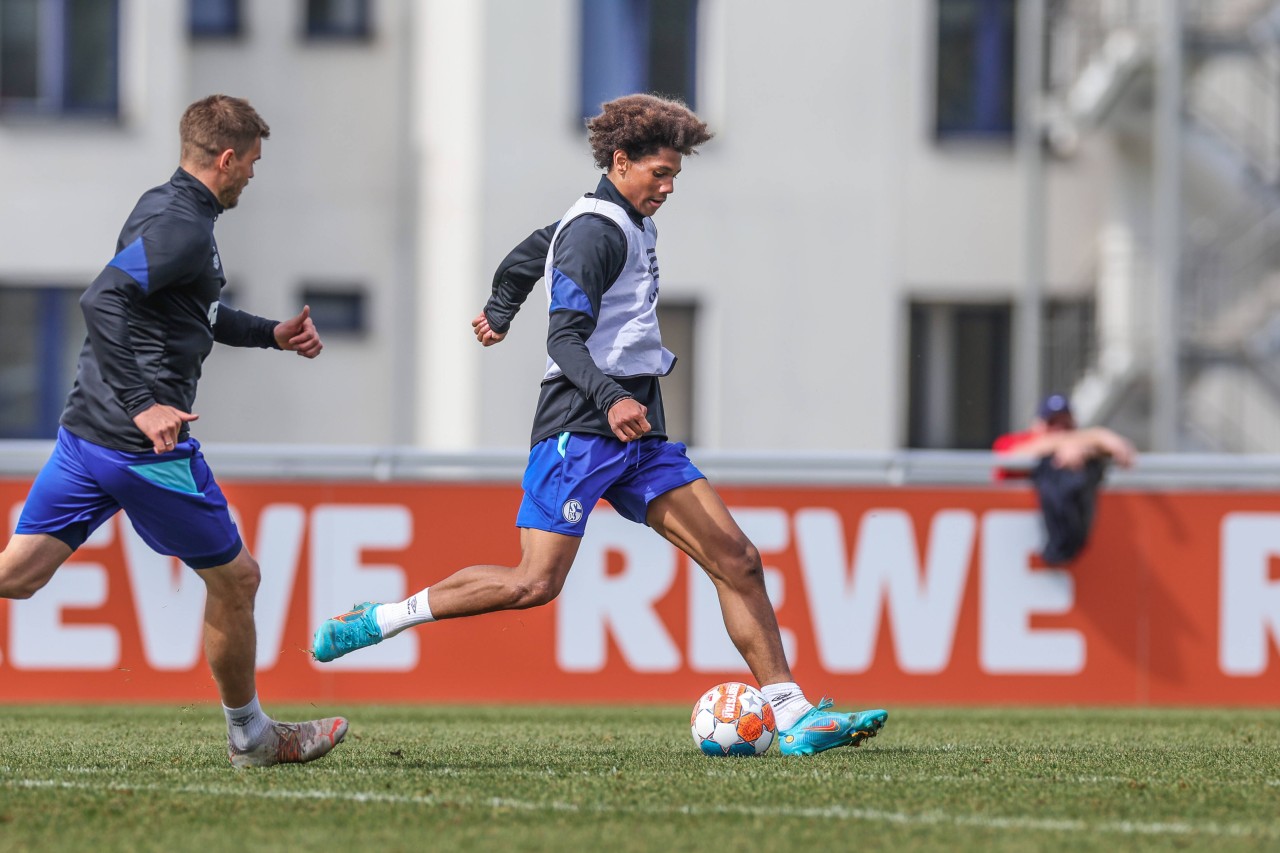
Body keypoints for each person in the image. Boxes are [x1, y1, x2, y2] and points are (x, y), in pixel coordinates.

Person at [312, 94, 888, 756]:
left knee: (739, 558)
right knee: (534, 582)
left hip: (637, 431)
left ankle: (791, 715)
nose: (669, 188)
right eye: (660, 174)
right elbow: (564, 339)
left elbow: (533, 250)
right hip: (581, 426)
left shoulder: (614, 220)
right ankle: (379, 619)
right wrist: (609, 395)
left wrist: (500, 308)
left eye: (676, 175)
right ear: (621, 162)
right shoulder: (595, 232)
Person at [0, 95, 348, 768]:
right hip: (141, 445)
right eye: (251, 160)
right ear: (226, 158)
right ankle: (251, 735)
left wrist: (271, 335)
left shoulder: (167, 207)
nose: (252, 172)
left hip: (88, 432)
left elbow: (196, 312)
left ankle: (251, 732)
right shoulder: (182, 227)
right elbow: (100, 298)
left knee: (18, 574)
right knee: (237, 579)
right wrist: (143, 404)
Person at [993, 393, 1137, 564]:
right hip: (1008, 549)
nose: (1059, 430)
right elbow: (1010, 458)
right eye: (1052, 423)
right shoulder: (1013, 442)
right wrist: (1089, 439)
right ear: (1036, 425)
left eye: (1065, 424)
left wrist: (1087, 449)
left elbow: (1124, 454)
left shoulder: (1083, 446)